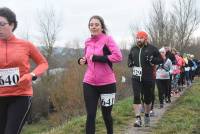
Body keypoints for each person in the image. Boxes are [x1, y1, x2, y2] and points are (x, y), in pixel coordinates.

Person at [0, 7, 48, 134]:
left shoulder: (25, 45)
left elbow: (43, 63)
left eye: (2, 24)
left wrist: (31, 75)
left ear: (12, 24)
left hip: (20, 96)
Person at [78, 15, 122, 134]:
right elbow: (88, 57)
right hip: (89, 83)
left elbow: (118, 57)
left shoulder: (108, 39)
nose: (94, 27)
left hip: (107, 83)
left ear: (102, 27)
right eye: (91, 25)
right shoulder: (87, 41)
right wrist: (82, 60)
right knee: (90, 115)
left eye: (96, 24)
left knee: (106, 115)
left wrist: (100, 58)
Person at [128, 31, 163, 127]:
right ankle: (138, 118)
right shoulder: (133, 49)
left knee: (147, 99)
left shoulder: (152, 49)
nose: (139, 40)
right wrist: (130, 63)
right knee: (136, 96)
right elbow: (130, 58)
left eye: (141, 38)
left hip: (148, 77)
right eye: (137, 38)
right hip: (136, 77)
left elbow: (161, 60)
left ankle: (147, 114)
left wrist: (152, 60)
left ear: (145, 38)